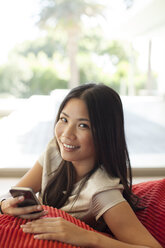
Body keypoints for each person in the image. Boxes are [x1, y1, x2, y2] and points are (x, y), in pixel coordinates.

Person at [0, 83, 162, 248]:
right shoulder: (54, 152)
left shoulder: (102, 192)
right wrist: (4, 204)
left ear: (105, 133)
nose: (67, 134)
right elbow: (9, 195)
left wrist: (88, 237)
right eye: (64, 119)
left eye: (83, 125)